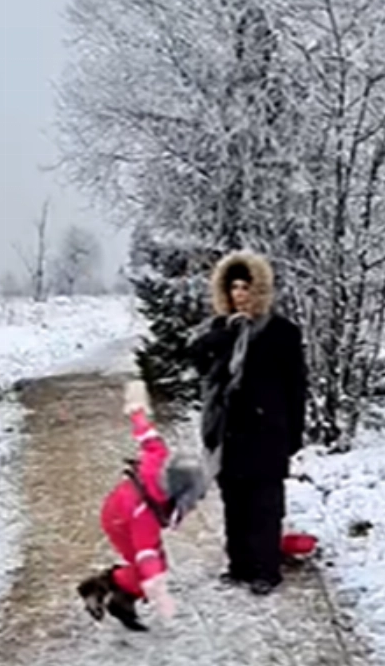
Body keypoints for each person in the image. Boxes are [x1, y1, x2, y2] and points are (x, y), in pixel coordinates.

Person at [189, 249, 307, 595]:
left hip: (267, 431)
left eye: (245, 287)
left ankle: (266, 570)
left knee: (266, 505)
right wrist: (219, 339)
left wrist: (294, 434)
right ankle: (239, 566)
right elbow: (197, 364)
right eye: (233, 288)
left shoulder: (281, 332)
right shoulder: (220, 329)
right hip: (228, 432)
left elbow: (296, 385)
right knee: (234, 502)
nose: (239, 295)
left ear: (259, 290)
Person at [77, 379, 207, 632]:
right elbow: (145, 552)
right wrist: (160, 593)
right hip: (120, 522)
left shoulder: (159, 458)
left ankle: (116, 592)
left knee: (153, 565)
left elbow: (148, 436)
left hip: (120, 508)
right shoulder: (143, 515)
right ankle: (107, 590)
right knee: (148, 569)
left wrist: (137, 408)